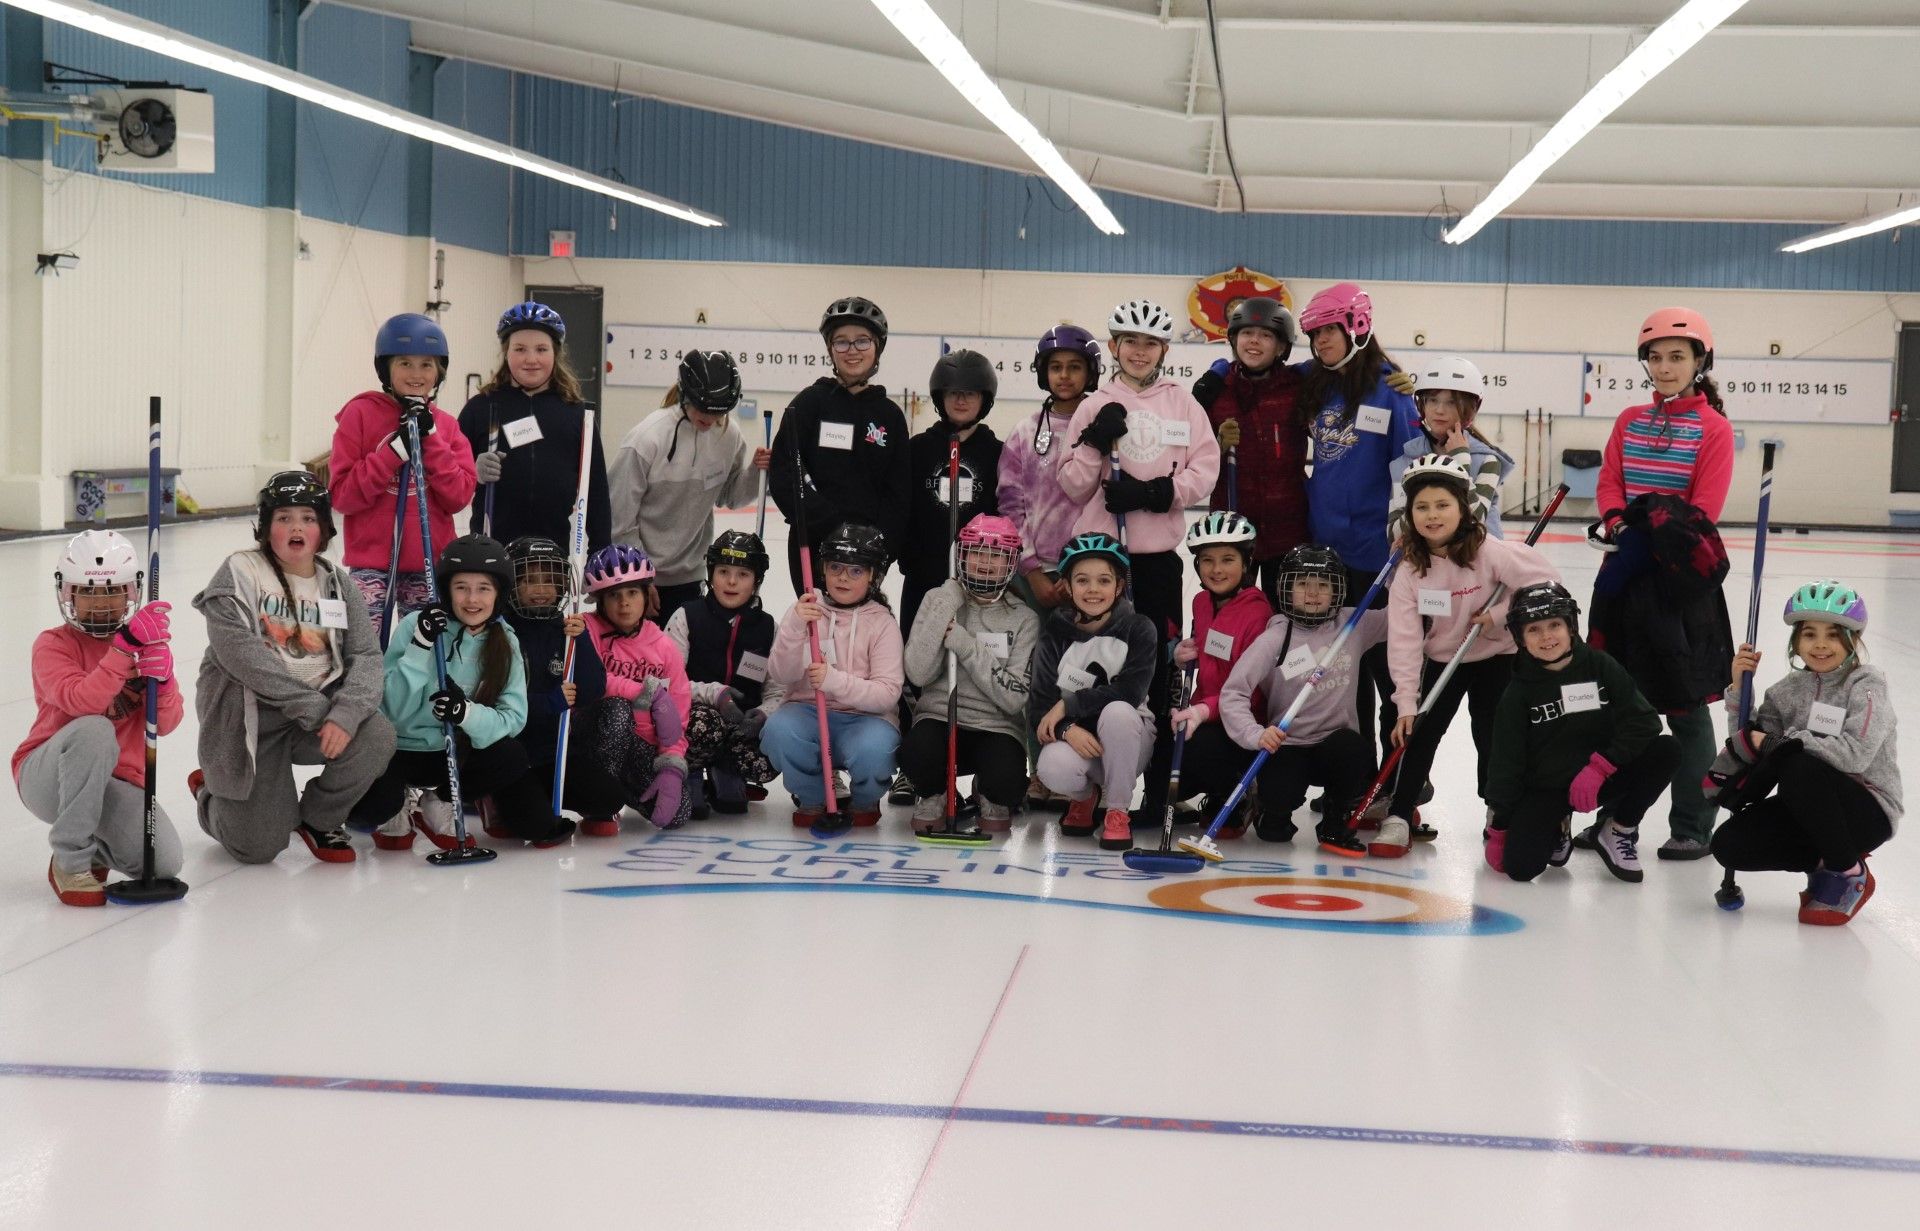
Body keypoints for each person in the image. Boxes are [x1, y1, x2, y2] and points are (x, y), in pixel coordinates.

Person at [1580, 306, 1737, 862]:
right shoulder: (1629, 420)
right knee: (1618, 704)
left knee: (1685, 709)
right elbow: (1610, 481)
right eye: (1655, 357)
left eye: (1677, 356)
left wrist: (1644, 535)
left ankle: (1693, 825)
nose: (1665, 367)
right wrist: (1620, 522)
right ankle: (1612, 818)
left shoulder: (1714, 429)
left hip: (1676, 586)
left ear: (1700, 361)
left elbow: (1702, 512)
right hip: (1621, 577)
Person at [1058, 298, 1221, 830]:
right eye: (1130, 341)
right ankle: (1090, 782)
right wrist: (1094, 442)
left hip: (1154, 561)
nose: (1139, 351)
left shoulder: (1183, 405)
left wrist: (1158, 492)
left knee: (1154, 673)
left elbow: (1206, 468)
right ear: (1114, 347)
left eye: (1150, 343)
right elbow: (1072, 484)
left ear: (1164, 351)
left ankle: (1151, 791)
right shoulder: (1095, 404)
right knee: (1091, 667)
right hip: (1102, 560)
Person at [189, 471, 395, 865]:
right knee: (258, 847)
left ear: (323, 530)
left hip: (316, 717)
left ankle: (318, 819)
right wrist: (315, 709)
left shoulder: (336, 583)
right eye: (284, 518)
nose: (296, 527)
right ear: (267, 529)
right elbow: (240, 656)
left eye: (307, 518)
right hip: (254, 720)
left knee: (376, 735)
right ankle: (212, 798)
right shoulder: (239, 572)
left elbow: (367, 656)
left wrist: (347, 713)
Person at [1374, 454, 1558, 857]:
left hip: (1497, 657)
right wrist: (1405, 702)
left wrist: (1497, 615)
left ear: (1463, 508)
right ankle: (1401, 814)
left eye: (1443, 505)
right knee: (1417, 733)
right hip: (1443, 660)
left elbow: (1547, 585)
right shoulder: (1409, 570)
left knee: (1494, 737)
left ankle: (1499, 809)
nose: (1432, 515)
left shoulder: (1490, 552)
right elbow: (1403, 640)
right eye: (1422, 507)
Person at [347, 535, 575, 849]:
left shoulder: (505, 641)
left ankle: (439, 799)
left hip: (454, 752)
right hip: (397, 752)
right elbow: (393, 711)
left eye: (483, 588)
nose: (472, 599)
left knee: (512, 761)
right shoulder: (416, 625)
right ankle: (396, 802)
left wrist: (465, 712)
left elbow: (514, 719)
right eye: (461, 587)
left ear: (499, 594)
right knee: (367, 813)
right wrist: (420, 647)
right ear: (446, 590)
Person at [1709, 581, 1899, 925]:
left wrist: (1790, 741)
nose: (1821, 645)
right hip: (1807, 805)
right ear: (1796, 642)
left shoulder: (1866, 684)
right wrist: (1738, 691)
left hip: (1866, 809)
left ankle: (1848, 870)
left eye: (1834, 635)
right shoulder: (1783, 693)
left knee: (1797, 763)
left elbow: (1855, 755)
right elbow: (1750, 753)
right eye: (1810, 634)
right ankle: (1824, 859)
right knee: (1727, 845)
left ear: (1853, 640)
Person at [16, 531, 182, 906]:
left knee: (165, 861)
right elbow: (82, 701)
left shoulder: (145, 646)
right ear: (67, 594)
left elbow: (167, 724)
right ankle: (70, 861)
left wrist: (165, 680)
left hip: (115, 781)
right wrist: (123, 652)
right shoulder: (53, 644)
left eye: (112, 591)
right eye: (88, 591)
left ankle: (94, 849)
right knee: (94, 729)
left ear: (131, 591)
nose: (102, 603)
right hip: (49, 775)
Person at [1295, 283, 1422, 765]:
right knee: (1341, 672)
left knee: (1384, 670)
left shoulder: (1391, 391)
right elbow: (1260, 370)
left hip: (1377, 553)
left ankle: (1393, 780)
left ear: (1357, 326)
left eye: (1329, 330)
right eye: (1314, 333)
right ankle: (1355, 773)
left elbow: (1411, 472)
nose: (1320, 341)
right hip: (1326, 552)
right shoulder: (1315, 380)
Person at [1482, 583, 1679, 883]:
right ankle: (1559, 825)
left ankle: (1617, 829)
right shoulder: (1516, 693)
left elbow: (1645, 722)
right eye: (1534, 629)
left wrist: (1601, 766)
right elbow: (1505, 762)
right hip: (1548, 788)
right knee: (1521, 869)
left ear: (1571, 626)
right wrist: (1500, 826)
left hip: (1602, 773)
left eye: (1554, 625)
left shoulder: (1600, 665)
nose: (1547, 636)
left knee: (1666, 750)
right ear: (1520, 636)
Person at [1219, 544, 1386, 846]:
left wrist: (1408, 569)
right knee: (1273, 832)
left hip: (1334, 744)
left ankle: (1335, 815)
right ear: (1286, 588)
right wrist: (1255, 734)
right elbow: (1233, 693)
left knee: (1354, 750)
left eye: (1323, 585)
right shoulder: (1274, 640)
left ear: (1337, 590)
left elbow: (1402, 617)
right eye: (1302, 584)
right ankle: (1270, 810)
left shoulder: (1352, 625)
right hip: (1288, 744)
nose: (1312, 593)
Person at [997, 323, 1101, 808]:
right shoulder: (1023, 433)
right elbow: (1011, 505)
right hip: (1035, 577)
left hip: (1093, 577)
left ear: (1090, 372)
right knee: (1039, 675)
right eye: (1055, 367)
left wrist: (1083, 575)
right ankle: (1039, 768)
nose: (1064, 376)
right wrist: (1035, 572)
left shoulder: (1103, 427)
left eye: (1074, 367)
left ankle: (1089, 772)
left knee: (1087, 675)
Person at [330, 313, 477, 627]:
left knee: (420, 650)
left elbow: (458, 496)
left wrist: (431, 439)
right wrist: (391, 455)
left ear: (439, 372)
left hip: (426, 561)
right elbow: (342, 496)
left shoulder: (447, 426)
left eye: (426, 364)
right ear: (386, 368)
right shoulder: (360, 414)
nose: (416, 373)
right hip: (371, 564)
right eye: (405, 363)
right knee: (364, 645)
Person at [760, 522, 904, 834]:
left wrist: (833, 680)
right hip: (808, 712)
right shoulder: (805, 610)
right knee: (779, 730)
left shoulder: (882, 624)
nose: (842, 577)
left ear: (873, 577)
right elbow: (780, 673)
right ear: (822, 569)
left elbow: (887, 694)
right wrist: (795, 627)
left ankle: (865, 800)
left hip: (865, 719)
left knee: (876, 750)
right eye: (835, 567)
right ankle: (813, 795)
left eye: (855, 571)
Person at [608, 349, 770, 625]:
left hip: (692, 578)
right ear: (685, 395)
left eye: (719, 412)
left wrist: (756, 471)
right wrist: (640, 576)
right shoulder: (647, 439)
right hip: (641, 580)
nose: (709, 418)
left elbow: (730, 496)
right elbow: (619, 519)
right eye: (701, 408)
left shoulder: (730, 436)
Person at [899, 515, 1038, 834]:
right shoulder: (938, 599)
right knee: (916, 756)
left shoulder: (1024, 618)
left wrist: (966, 645)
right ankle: (936, 792)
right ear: (960, 555)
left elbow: (1014, 697)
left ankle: (990, 791)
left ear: (1011, 562)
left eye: (996, 555)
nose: (986, 562)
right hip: (940, 718)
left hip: (996, 725)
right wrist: (947, 603)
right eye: (977, 552)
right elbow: (918, 673)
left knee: (1007, 780)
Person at [768, 297, 912, 589]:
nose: (852, 351)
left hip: (868, 553)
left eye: (862, 341)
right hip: (815, 545)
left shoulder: (891, 416)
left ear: (877, 347)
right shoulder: (809, 404)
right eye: (842, 342)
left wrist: (880, 544)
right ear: (831, 349)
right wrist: (831, 526)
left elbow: (899, 494)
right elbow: (785, 475)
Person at [1029, 533, 1158, 851]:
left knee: (1117, 711)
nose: (1093, 590)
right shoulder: (1053, 634)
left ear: (1118, 586)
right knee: (1050, 767)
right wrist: (1065, 728)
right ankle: (1085, 798)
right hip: (1082, 744)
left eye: (1103, 580)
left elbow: (1129, 691)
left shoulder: (1139, 628)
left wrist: (1067, 706)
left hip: (1130, 738)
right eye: (1082, 580)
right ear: (1067, 587)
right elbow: (1039, 707)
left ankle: (1116, 811)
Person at [495, 535, 625, 837]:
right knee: (535, 826)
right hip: (512, 756)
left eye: (549, 580)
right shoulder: (500, 631)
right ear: (512, 584)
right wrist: (548, 702)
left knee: (610, 797)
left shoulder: (566, 629)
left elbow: (593, 690)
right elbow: (496, 703)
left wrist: (580, 641)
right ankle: (498, 799)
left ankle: (541, 796)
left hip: (554, 753)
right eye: (529, 580)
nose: (541, 590)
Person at [459, 301, 611, 557]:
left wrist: (600, 549)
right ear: (506, 353)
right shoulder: (481, 408)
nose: (531, 359)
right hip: (491, 553)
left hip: (551, 557)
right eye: (520, 349)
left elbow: (596, 489)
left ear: (556, 353)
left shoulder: (576, 413)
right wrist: (473, 470)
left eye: (541, 349)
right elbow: (447, 476)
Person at [1193, 296, 1309, 598]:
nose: (1254, 342)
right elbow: (1189, 457)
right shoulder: (1217, 391)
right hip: (1231, 528)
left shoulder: (1298, 388)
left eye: (1265, 335)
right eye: (1246, 333)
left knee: (1285, 613)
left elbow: (1344, 375)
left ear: (1281, 347)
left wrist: (1384, 374)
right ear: (1233, 340)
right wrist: (1216, 447)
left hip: (1288, 529)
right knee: (1230, 612)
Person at [1168, 511, 1272, 838]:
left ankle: (1237, 791)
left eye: (1228, 559)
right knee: (1163, 766)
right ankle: (1215, 785)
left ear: (1246, 564)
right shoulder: (1201, 601)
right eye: (1207, 560)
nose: (1217, 570)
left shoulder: (1258, 612)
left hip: (1242, 718)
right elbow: (1209, 652)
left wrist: (1203, 710)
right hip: (1205, 711)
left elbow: (1252, 691)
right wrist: (1183, 656)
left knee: (1203, 751)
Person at [664, 530, 782, 817]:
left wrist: (765, 713)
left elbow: (778, 689)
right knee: (705, 726)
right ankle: (688, 772)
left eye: (743, 574)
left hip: (740, 721)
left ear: (757, 580)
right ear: (710, 574)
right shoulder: (686, 616)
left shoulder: (769, 628)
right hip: (695, 718)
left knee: (766, 758)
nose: (731, 581)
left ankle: (727, 770)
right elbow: (668, 682)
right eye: (723, 571)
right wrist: (715, 695)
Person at [580, 544, 695, 831]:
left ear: (647, 596)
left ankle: (622, 789)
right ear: (600, 601)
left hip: (640, 744)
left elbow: (678, 711)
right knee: (617, 711)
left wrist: (671, 763)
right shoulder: (585, 630)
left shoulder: (663, 647)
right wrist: (638, 691)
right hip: (589, 738)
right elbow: (586, 680)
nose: (624, 604)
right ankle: (600, 804)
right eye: (614, 595)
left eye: (632, 593)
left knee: (678, 814)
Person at [901, 349, 1003, 639]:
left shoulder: (998, 453)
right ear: (939, 397)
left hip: (980, 578)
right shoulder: (918, 449)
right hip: (924, 576)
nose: (961, 400)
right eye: (954, 392)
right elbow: (902, 506)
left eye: (970, 393)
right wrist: (908, 556)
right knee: (918, 653)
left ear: (984, 399)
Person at [1387, 354, 1515, 543]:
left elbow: (1475, 521)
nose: (1439, 410)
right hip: (1425, 566)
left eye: (1452, 402)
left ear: (1471, 408)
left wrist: (1460, 461)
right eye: (1432, 400)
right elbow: (1393, 534)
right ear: (1422, 404)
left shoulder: (1487, 460)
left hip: (1478, 565)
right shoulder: (1406, 460)